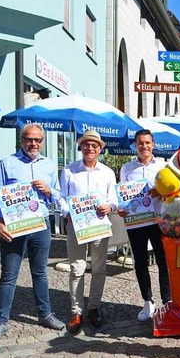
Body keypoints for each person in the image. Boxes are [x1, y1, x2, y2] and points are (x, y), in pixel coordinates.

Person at [0, 123, 65, 342]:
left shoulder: (49, 165)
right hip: (14, 227)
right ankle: (1, 322)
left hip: (41, 225)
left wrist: (48, 190)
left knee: (40, 272)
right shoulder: (7, 163)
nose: (33, 144)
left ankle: (45, 314)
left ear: (42, 142)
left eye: (37, 140)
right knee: (9, 275)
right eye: (29, 139)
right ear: (21, 141)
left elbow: (57, 194)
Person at [59, 130, 117, 334]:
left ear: (100, 149)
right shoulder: (69, 171)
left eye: (94, 145)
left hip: (99, 226)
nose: (90, 148)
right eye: (86, 144)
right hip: (76, 226)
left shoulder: (108, 172)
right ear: (80, 147)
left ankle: (94, 307)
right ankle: (76, 311)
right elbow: (61, 197)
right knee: (77, 269)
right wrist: (67, 213)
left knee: (99, 269)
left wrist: (109, 207)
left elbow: (114, 199)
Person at [118, 129, 171, 321]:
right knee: (140, 262)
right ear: (135, 145)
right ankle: (147, 301)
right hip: (136, 222)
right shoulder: (126, 168)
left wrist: (163, 192)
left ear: (153, 144)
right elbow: (121, 196)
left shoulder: (164, 167)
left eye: (147, 143)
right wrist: (120, 208)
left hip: (159, 220)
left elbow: (174, 191)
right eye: (140, 143)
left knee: (163, 260)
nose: (144, 146)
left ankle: (168, 300)